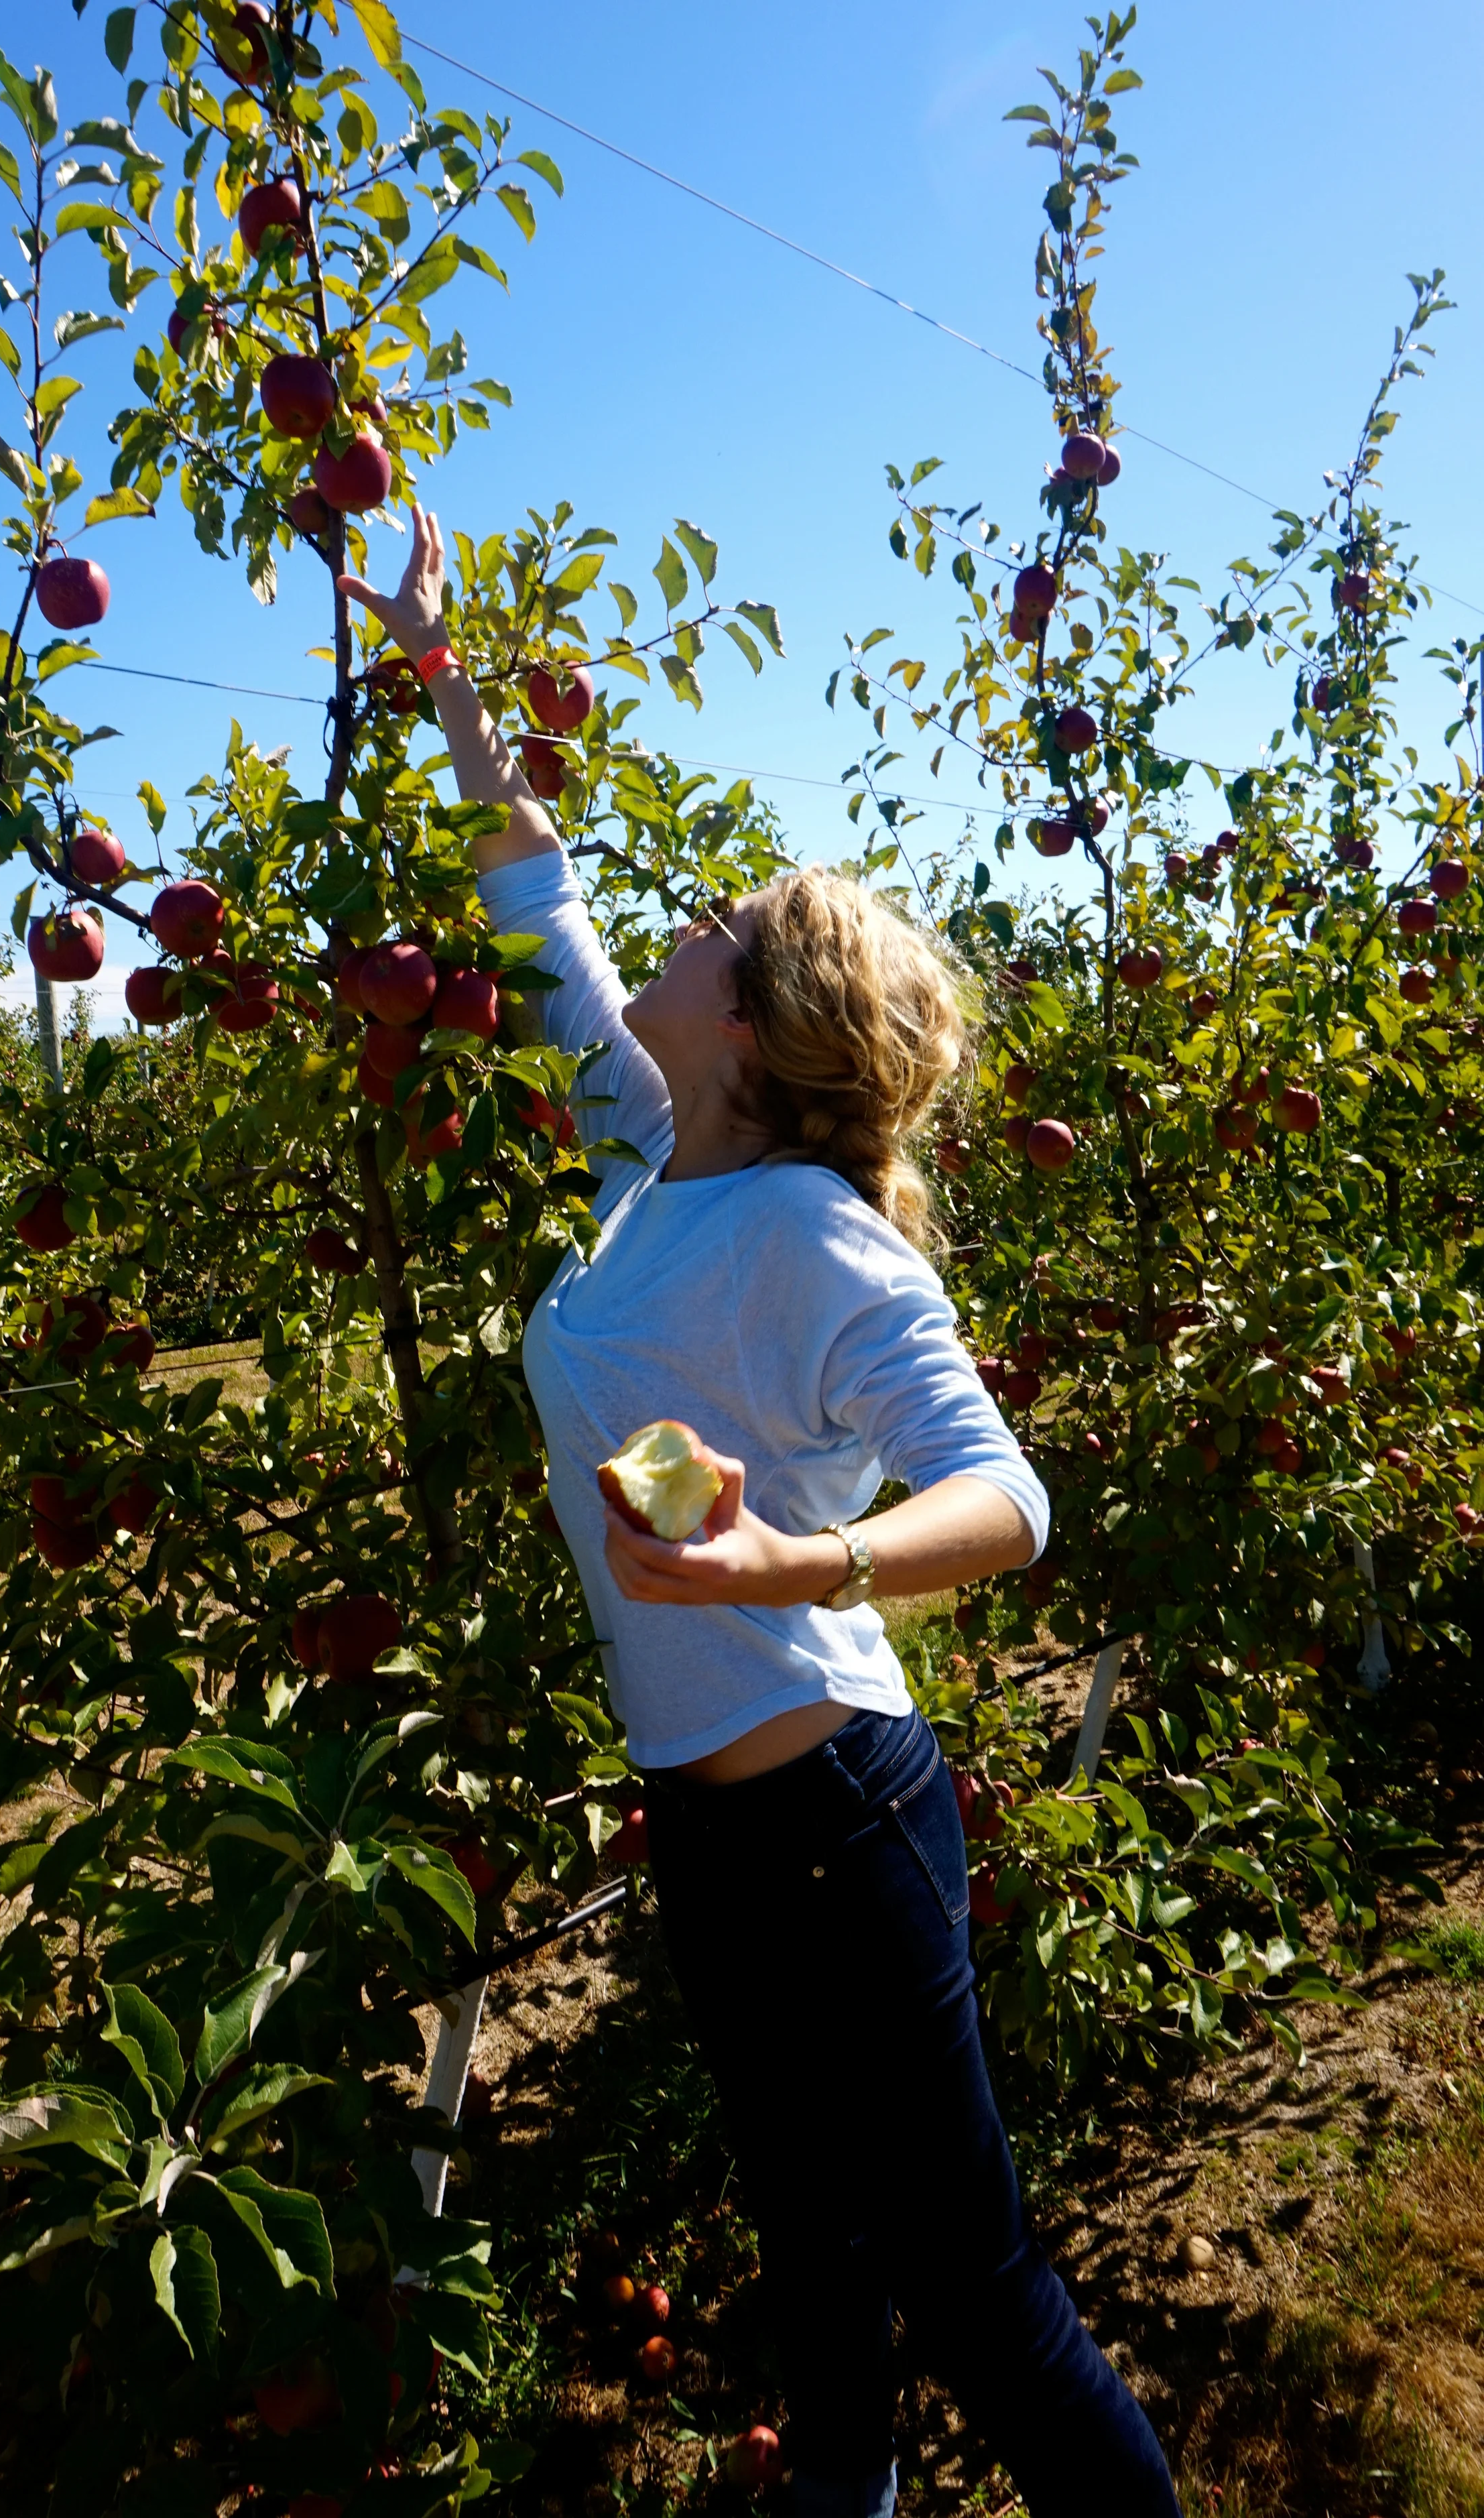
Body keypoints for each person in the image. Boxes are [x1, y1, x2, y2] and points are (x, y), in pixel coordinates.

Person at [338, 513, 1182, 2518]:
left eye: (717, 918)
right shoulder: (652, 1158)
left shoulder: (816, 1238)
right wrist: (443, 670)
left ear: (753, 1016)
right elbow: (538, 904)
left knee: (975, 2285)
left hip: (835, 1814)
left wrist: (794, 1560)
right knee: (811, 2244)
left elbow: (1008, 1498)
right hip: (705, 1818)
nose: (682, 919)